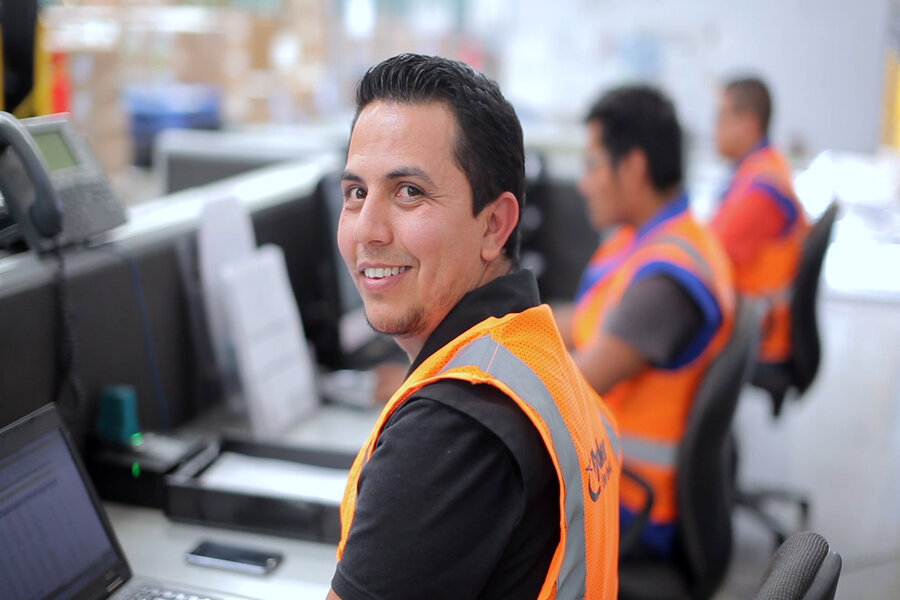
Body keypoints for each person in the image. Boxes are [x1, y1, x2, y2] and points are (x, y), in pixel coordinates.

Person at [327, 54, 622, 600]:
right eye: (356, 193)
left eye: (409, 191)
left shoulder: (453, 428)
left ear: (494, 225)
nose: (367, 229)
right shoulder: (531, 346)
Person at [555, 85, 735, 558]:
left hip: (629, 500)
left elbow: (568, 389)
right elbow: (582, 321)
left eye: (593, 165)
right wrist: (494, 326)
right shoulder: (648, 239)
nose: (583, 182)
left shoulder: (665, 280)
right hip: (613, 474)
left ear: (633, 168)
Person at [711, 77, 809, 364]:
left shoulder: (759, 191)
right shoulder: (767, 165)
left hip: (758, 333)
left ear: (748, 122)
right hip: (755, 319)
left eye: (721, 116)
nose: (714, 128)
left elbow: (707, 259)